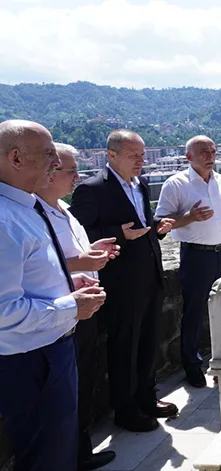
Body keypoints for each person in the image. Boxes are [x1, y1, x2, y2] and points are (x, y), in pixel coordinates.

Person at [0, 120, 106, 471]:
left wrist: (66, 285)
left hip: (48, 351)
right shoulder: (4, 219)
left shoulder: (23, 207)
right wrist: (69, 306)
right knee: (45, 456)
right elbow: (3, 309)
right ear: (16, 158)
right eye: (48, 155)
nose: (54, 164)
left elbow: (31, 275)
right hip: (32, 360)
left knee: (59, 449)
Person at [70, 130, 178, 433]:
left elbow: (141, 223)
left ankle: (147, 397)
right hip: (120, 282)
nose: (140, 161)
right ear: (112, 155)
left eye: (142, 155)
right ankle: (125, 409)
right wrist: (119, 232)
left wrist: (157, 227)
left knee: (147, 343)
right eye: (134, 155)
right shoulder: (92, 190)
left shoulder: (140, 184)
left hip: (149, 276)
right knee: (123, 347)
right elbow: (80, 236)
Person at [35, 143, 119, 470]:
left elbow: (71, 254)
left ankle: (80, 450)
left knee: (82, 382)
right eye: (70, 170)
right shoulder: (35, 213)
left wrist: (92, 251)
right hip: (64, 312)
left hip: (82, 308)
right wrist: (81, 263)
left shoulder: (63, 209)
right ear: (49, 173)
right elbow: (40, 265)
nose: (77, 177)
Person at [155, 135, 221, 388]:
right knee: (195, 313)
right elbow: (161, 225)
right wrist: (190, 217)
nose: (210, 156)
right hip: (197, 255)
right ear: (189, 157)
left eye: (213, 151)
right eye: (204, 152)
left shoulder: (220, 180)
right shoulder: (176, 184)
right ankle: (192, 365)